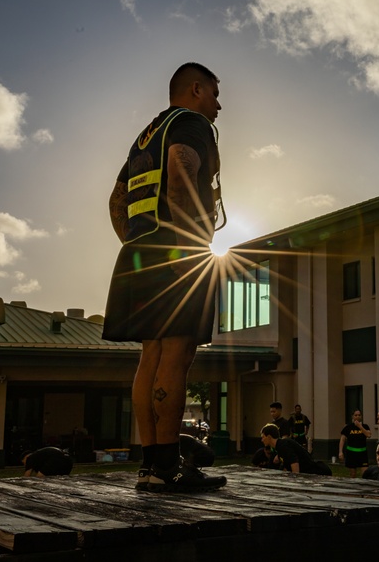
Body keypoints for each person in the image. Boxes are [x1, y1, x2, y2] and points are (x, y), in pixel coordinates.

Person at [103, 62, 227, 494]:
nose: (218, 105)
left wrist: (137, 242)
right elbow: (180, 169)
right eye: (214, 93)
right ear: (195, 89)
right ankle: (170, 467)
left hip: (140, 251)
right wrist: (187, 244)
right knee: (177, 356)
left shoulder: (145, 135)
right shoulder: (191, 122)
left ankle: (152, 466)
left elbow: (118, 200)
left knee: (151, 356)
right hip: (176, 249)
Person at [260, 423, 332, 475]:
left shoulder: (283, 446)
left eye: (263, 437)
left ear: (269, 437)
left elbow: (295, 465)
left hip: (316, 474)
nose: (262, 440)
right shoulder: (280, 446)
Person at [338, 409, 372, 477]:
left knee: (365, 474)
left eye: (359, 415)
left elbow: (368, 435)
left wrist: (360, 426)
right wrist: (340, 452)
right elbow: (342, 440)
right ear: (352, 416)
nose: (357, 416)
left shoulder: (365, 426)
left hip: (362, 454)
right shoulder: (348, 427)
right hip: (351, 453)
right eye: (355, 415)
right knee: (353, 474)